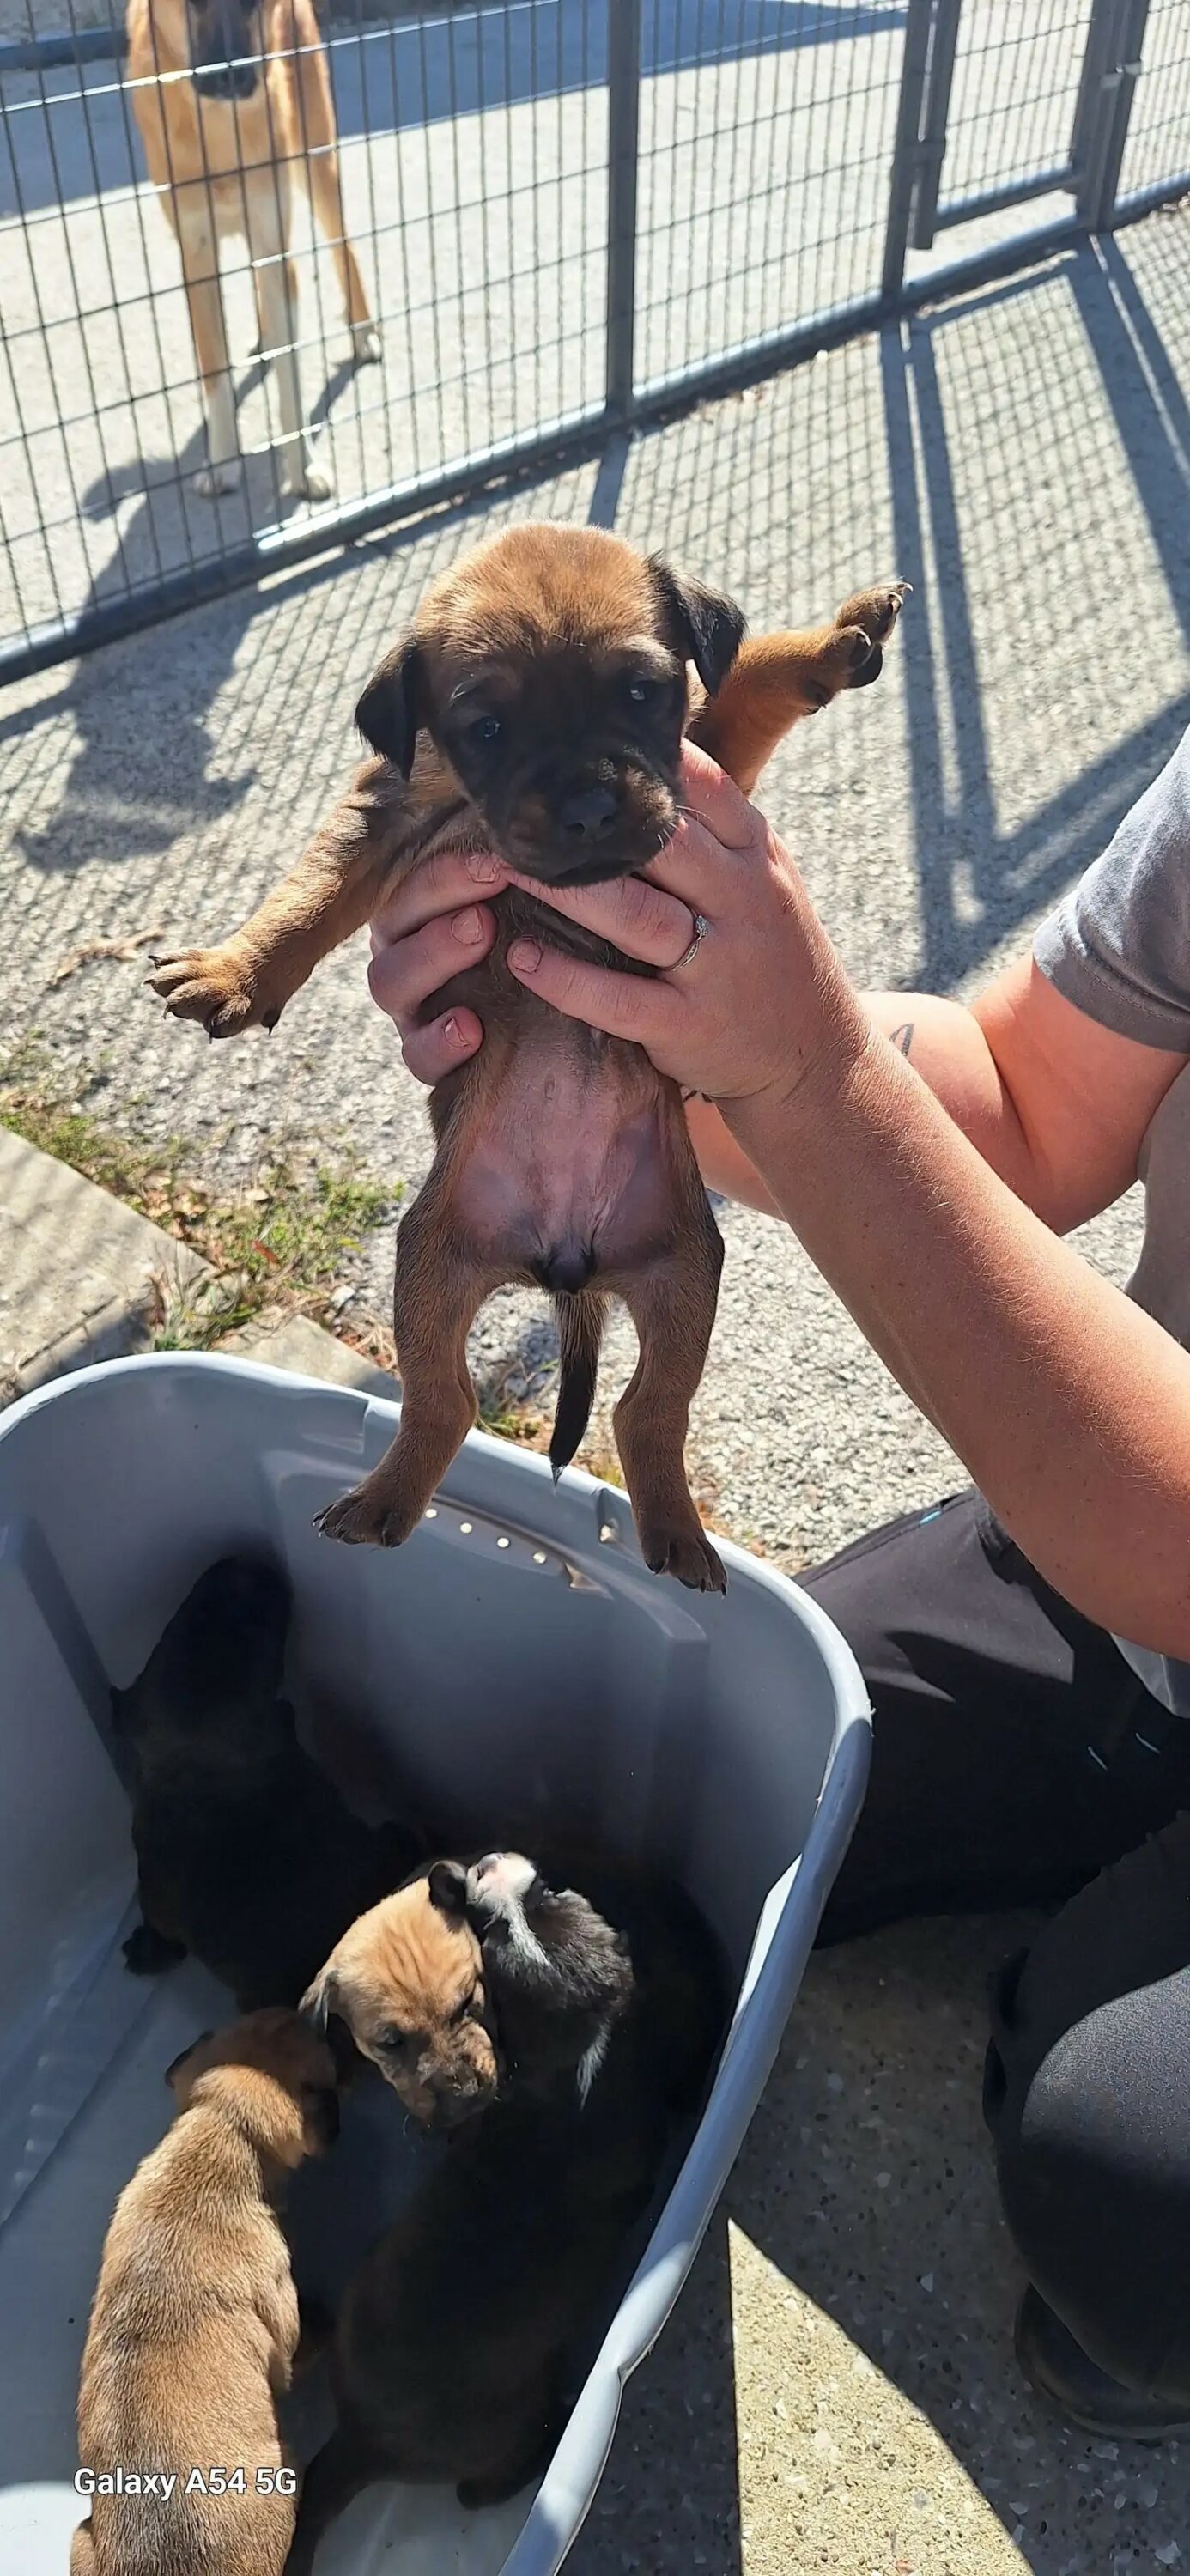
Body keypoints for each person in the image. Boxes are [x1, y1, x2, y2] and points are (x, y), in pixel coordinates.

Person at [366, 724, 1190, 2441]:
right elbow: (1031, 1104)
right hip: (1112, 1513)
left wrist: (810, 1071)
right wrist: (641, 1026)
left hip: (1152, 1523)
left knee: (1126, 2186)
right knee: (720, 1790)